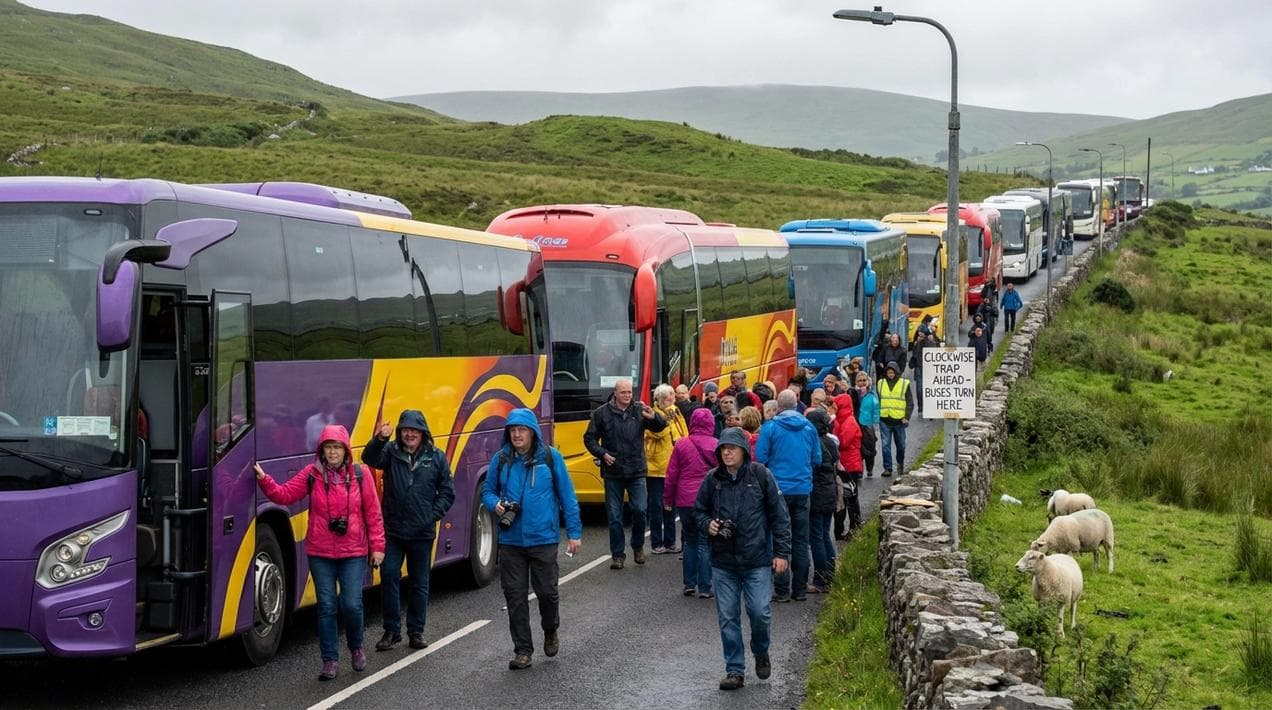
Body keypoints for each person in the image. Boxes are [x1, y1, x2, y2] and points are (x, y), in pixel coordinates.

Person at [255, 425, 385, 681]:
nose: (333, 452)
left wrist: (378, 548)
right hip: (320, 552)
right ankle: (329, 660)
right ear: (322, 450)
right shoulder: (311, 474)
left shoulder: (361, 475)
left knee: (351, 604)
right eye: (329, 447)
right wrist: (263, 479)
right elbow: (284, 495)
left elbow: (373, 514)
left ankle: (356, 647)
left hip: (353, 551)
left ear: (345, 450)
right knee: (326, 606)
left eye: (337, 447)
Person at [483, 409, 583, 670]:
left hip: (544, 538)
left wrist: (574, 533)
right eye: (512, 430)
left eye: (522, 430)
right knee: (514, 597)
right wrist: (496, 505)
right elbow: (488, 491)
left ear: (532, 432)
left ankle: (550, 629)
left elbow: (567, 496)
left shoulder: (551, 458)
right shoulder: (501, 459)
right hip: (511, 540)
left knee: (547, 594)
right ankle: (523, 650)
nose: (516, 434)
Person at [694, 427, 791, 691]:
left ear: (743, 452)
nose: (726, 452)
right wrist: (708, 525)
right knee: (727, 617)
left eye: (732, 448)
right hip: (723, 561)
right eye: (723, 448)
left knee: (760, 612)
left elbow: (779, 516)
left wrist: (781, 553)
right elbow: (698, 511)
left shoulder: (761, 476)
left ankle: (761, 651)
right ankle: (734, 669)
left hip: (757, 559)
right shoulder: (712, 480)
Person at [363, 410, 456, 652]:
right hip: (393, 530)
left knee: (419, 583)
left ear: (423, 432)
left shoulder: (436, 457)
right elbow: (369, 458)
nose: (409, 434)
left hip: (422, 533)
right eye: (405, 429)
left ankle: (416, 631)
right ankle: (391, 631)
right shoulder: (391, 452)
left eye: (414, 430)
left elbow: (447, 492)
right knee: (390, 577)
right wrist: (380, 439)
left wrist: (431, 516)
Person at [584, 378, 668, 569]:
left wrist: (654, 417)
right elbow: (589, 439)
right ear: (615, 393)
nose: (628, 396)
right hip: (613, 472)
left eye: (630, 392)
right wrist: (602, 453)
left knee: (640, 510)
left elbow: (661, 426)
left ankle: (637, 546)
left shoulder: (639, 409)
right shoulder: (601, 413)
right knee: (614, 517)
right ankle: (618, 555)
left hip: (636, 469)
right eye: (624, 392)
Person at [754, 390, 820, 603]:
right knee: (801, 539)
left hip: (778, 489)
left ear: (779, 407)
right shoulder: (809, 427)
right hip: (802, 489)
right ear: (797, 404)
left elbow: (761, 457)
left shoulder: (770, 427)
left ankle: (781, 589)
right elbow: (816, 458)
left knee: (778, 537)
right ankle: (799, 589)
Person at [664, 407, 719, 598]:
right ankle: (705, 587)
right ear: (711, 423)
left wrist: (668, 499)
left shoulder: (681, 444)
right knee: (705, 542)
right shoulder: (716, 444)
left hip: (685, 499)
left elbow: (672, 475)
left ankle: (689, 583)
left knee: (690, 541)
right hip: (708, 499)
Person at [645, 384, 687, 554]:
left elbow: (683, 431)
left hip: (673, 466)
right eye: (667, 398)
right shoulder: (652, 415)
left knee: (671, 506)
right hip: (655, 468)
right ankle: (656, 543)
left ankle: (670, 541)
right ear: (659, 400)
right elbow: (658, 433)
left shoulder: (675, 411)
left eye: (672, 397)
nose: (670, 400)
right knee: (656, 507)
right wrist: (665, 422)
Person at [805, 408, 839, 594]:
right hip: (830, 492)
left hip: (817, 494)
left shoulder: (813, 444)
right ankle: (831, 574)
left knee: (816, 537)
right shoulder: (831, 442)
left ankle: (820, 579)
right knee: (825, 535)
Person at [832, 394, 864, 540]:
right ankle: (846, 528)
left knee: (850, 497)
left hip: (851, 464)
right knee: (844, 496)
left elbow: (843, 442)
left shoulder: (849, 421)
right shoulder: (843, 419)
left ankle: (855, 526)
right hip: (846, 463)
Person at [877, 362, 914, 478]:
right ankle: (887, 468)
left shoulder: (904, 384)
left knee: (901, 445)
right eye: (888, 372)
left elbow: (910, 403)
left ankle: (900, 463)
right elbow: (877, 400)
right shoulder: (880, 383)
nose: (890, 374)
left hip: (899, 421)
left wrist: (906, 417)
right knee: (885, 445)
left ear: (897, 372)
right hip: (884, 419)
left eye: (892, 372)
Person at [855, 373, 880, 481]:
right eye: (859, 380)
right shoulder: (853, 393)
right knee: (858, 448)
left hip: (868, 424)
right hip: (856, 424)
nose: (862, 382)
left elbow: (876, 409)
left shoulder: (871, 395)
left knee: (870, 447)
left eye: (864, 380)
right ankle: (859, 470)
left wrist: (874, 422)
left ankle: (870, 468)